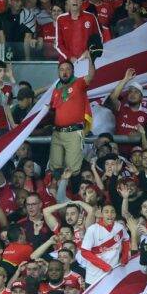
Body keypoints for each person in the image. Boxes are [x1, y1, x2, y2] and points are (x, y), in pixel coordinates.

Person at [48, 55, 95, 198]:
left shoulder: (78, 83)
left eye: (68, 69)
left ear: (73, 71)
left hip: (73, 133)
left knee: (73, 169)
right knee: (55, 166)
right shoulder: (56, 89)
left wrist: (91, 60)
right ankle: (58, 197)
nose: (64, 72)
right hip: (57, 133)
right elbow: (52, 110)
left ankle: (75, 197)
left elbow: (91, 76)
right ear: (58, 72)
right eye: (61, 69)